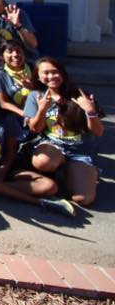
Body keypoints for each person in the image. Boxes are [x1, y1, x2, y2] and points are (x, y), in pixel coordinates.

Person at [0, 81, 73, 216]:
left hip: (6, 166)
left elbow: (11, 151)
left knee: (50, 186)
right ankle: (38, 202)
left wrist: (1, 174)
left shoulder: (5, 117)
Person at [25, 57, 104, 207]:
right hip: (53, 147)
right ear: (38, 77)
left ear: (62, 73)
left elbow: (98, 132)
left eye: (55, 72)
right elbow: (35, 129)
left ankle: (75, 172)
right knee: (42, 161)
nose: (51, 76)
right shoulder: (35, 96)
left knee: (83, 199)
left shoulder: (80, 95)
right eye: (46, 73)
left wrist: (90, 112)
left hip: (80, 151)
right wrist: (42, 110)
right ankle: (59, 171)